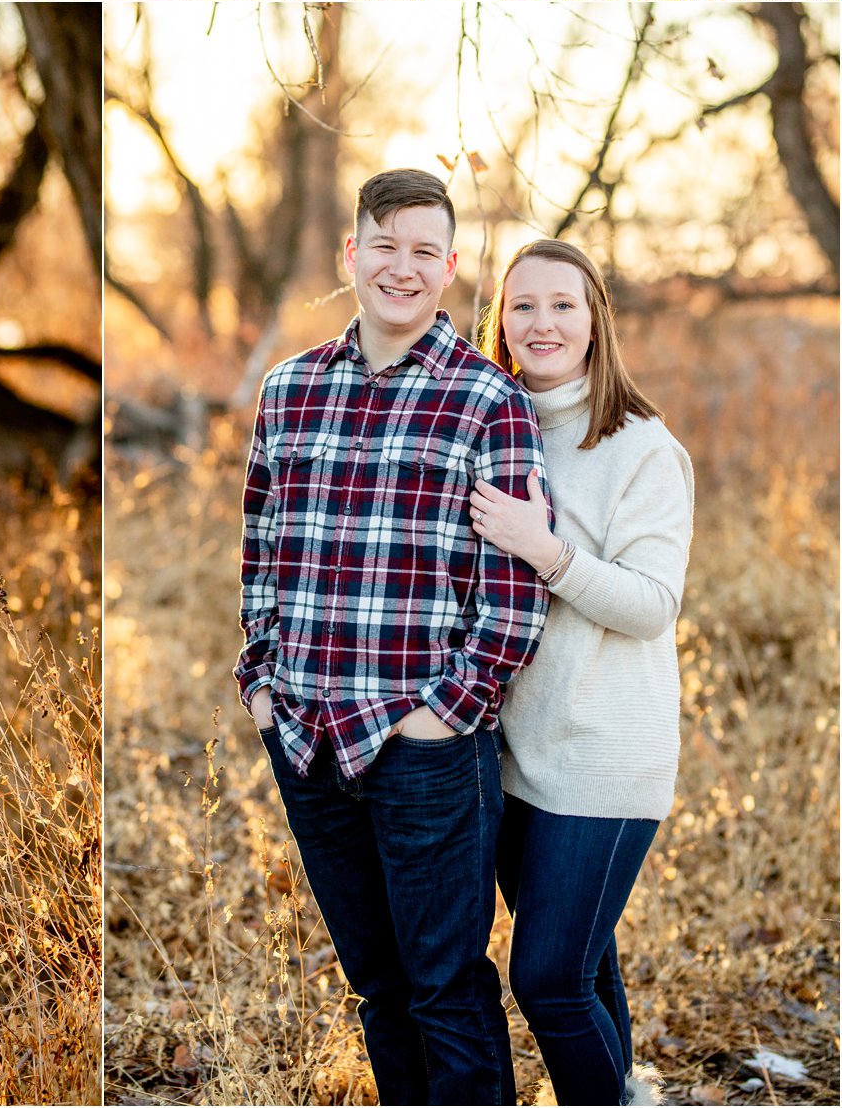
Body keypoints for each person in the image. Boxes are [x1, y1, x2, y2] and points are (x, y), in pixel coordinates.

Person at [235, 168, 551, 1106]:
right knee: (376, 987)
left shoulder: (487, 400)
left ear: (449, 267)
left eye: (423, 251)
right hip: (305, 738)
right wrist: (262, 683)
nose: (401, 267)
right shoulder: (289, 390)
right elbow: (260, 551)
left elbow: (515, 588)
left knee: (445, 989)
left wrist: (442, 715)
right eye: (384, 245)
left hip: (424, 749)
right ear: (351, 254)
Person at [471, 237, 693, 1108]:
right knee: (585, 963)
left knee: (548, 978)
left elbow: (649, 603)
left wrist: (547, 550)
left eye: (562, 303)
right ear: (501, 320)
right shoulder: (494, 424)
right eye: (522, 305)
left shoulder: (641, 446)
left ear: (595, 316)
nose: (542, 322)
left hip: (603, 759)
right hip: (517, 754)